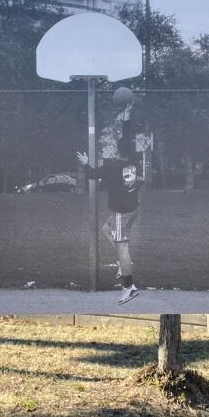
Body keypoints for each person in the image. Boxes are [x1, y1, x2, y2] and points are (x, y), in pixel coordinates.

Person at [77, 100, 142, 305]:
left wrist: (86, 163)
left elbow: (93, 175)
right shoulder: (134, 160)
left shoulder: (111, 167)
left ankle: (129, 286)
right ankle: (126, 263)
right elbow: (127, 136)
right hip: (133, 208)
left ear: (116, 151)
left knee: (123, 248)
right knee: (106, 230)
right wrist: (127, 117)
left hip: (121, 212)